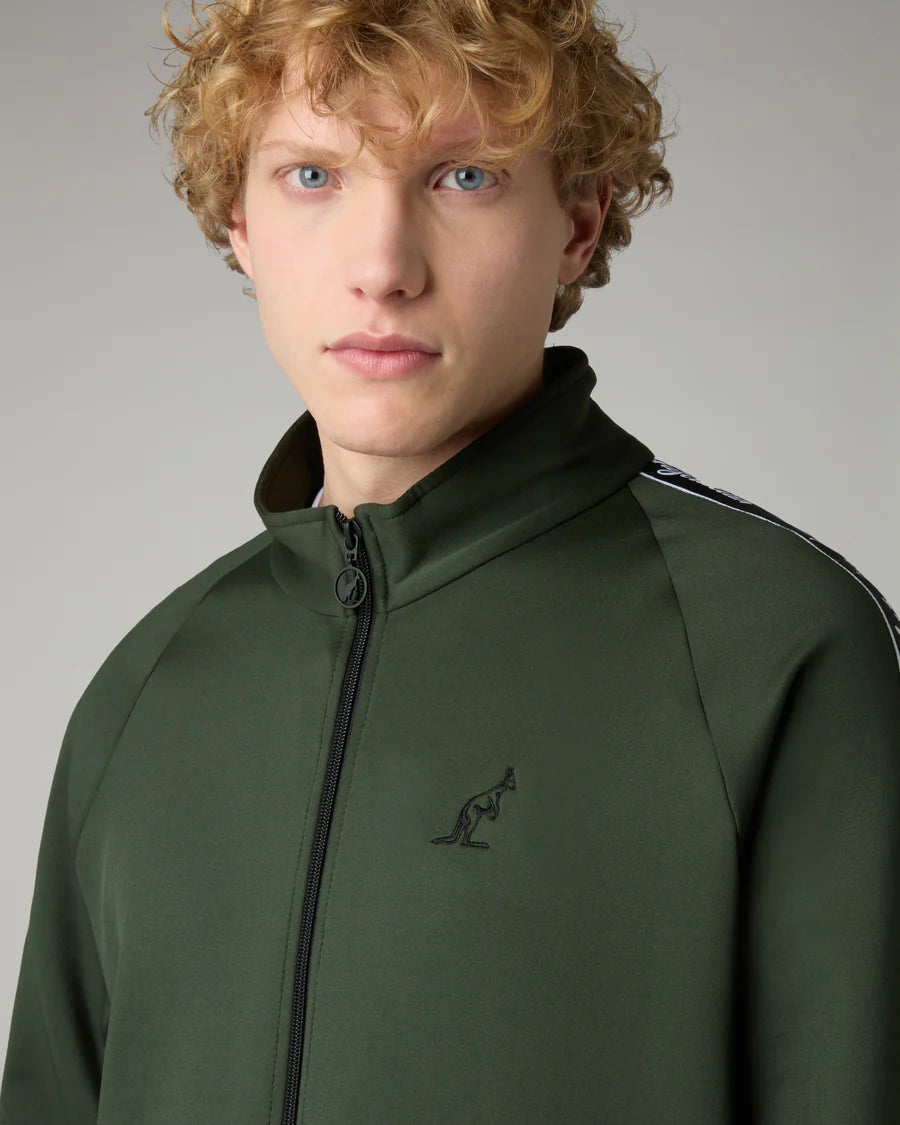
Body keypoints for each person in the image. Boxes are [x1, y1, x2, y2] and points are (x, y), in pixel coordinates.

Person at [1, 0, 898, 1122]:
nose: (382, 266)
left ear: (577, 224)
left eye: (464, 176)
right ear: (240, 222)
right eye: (313, 176)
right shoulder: (148, 689)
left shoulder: (775, 649)